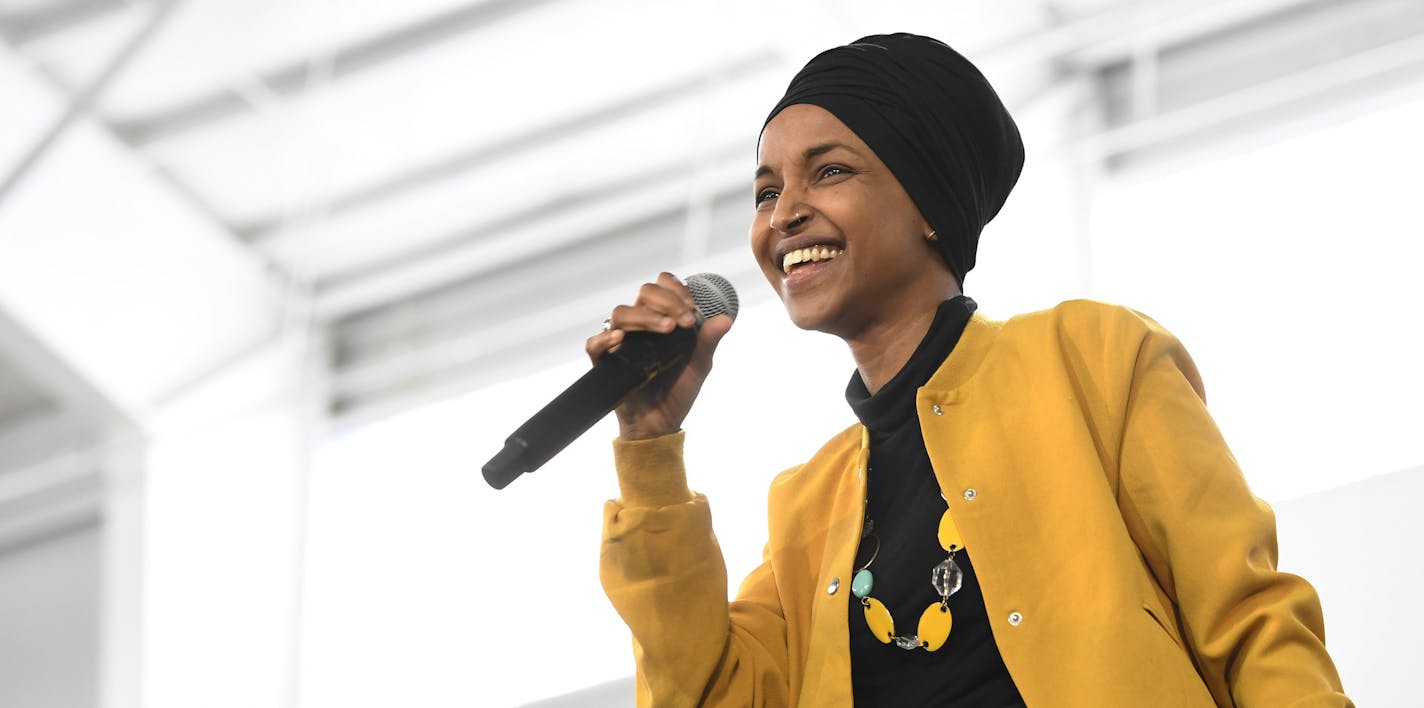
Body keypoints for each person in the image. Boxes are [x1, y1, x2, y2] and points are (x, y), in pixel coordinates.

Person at [586, 33, 1350, 707]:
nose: (783, 213)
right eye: (766, 191)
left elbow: (1250, 621)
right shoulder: (805, 509)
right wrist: (650, 449)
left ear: (927, 204)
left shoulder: (1094, 358)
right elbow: (702, 696)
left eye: (830, 172)